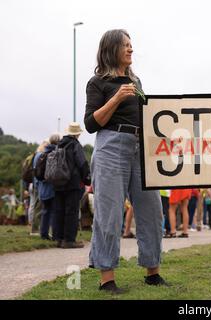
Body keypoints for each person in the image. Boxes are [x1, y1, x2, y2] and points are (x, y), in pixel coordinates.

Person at [85, 29, 167, 294]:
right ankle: (106, 278)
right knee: (109, 215)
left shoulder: (137, 81)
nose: (131, 49)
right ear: (112, 49)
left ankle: (152, 273)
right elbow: (90, 123)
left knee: (152, 211)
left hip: (140, 148)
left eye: (132, 45)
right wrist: (117, 97)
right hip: (111, 146)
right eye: (126, 45)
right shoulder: (98, 83)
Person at [53, 123, 91, 249]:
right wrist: (87, 179)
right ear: (77, 134)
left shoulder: (58, 145)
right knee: (72, 211)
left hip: (58, 182)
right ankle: (69, 240)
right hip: (72, 183)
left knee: (59, 211)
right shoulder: (75, 145)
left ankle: (58, 238)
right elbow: (82, 164)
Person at [35, 133, 60, 240]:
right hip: (53, 187)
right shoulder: (58, 153)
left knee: (45, 211)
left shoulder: (40, 155)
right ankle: (55, 235)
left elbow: (36, 172)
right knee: (54, 212)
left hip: (42, 188)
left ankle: (43, 234)